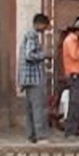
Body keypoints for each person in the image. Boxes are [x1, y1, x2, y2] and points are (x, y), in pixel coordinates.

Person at [18, 14, 51, 143]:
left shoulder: (27, 35)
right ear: (40, 24)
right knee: (38, 107)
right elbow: (29, 55)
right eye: (45, 26)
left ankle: (31, 135)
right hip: (34, 78)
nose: (46, 29)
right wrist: (44, 55)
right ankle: (40, 136)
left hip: (27, 78)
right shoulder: (32, 35)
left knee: (30, 108)